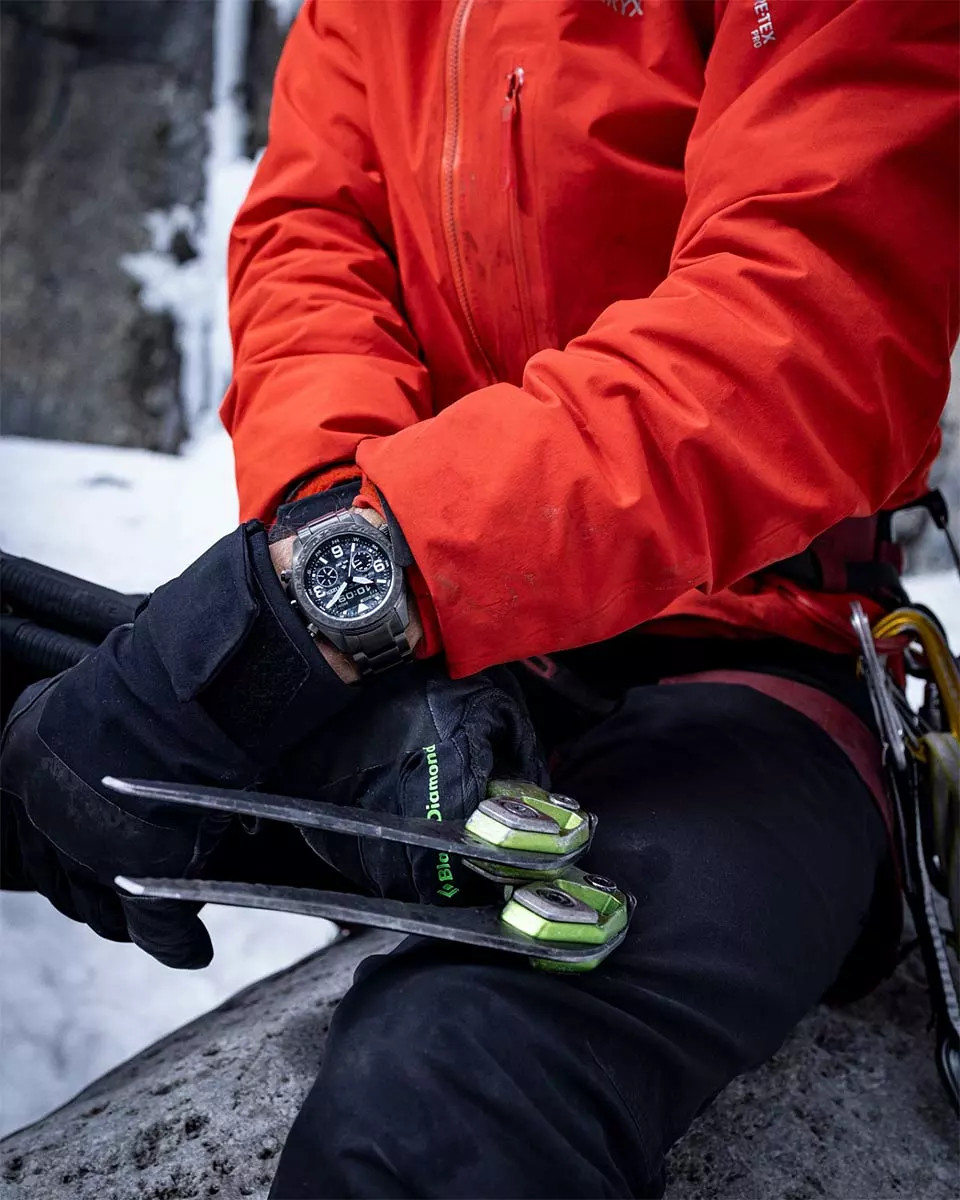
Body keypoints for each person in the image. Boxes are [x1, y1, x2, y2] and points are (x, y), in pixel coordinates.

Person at [1, 0, 956, 1195]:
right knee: (56, 711)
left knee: (443, 1106)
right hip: (443, 652)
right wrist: (333, 580)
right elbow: (312, 254)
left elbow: (808, 321)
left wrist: (333, 601)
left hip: (743, 654)